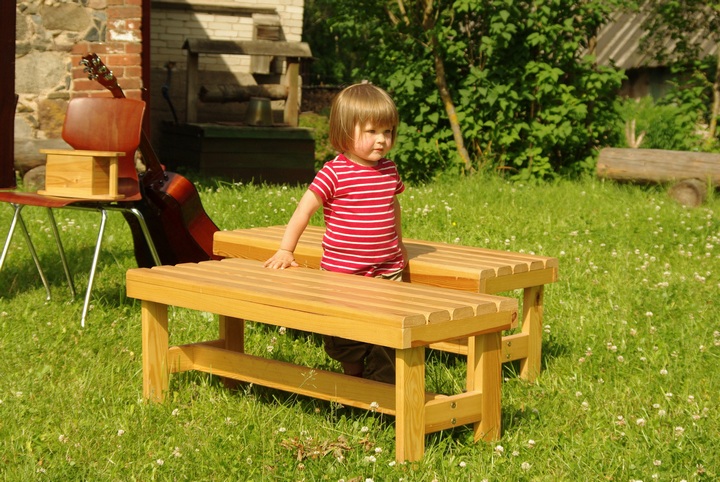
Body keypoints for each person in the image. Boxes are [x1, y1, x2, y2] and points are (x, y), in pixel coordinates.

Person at [264, 82, 406, 383]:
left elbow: (393, 206)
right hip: (343, 273)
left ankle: (381, 388)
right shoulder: (334, 172)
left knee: (389, 333)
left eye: (388, 131)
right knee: (344, 336)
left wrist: (400, 244)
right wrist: (286, 249)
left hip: (387, 269)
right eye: (372, 131)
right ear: (344, 131)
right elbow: (303, 211)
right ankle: (353, 377)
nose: (382, 140)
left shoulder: (389, 170)